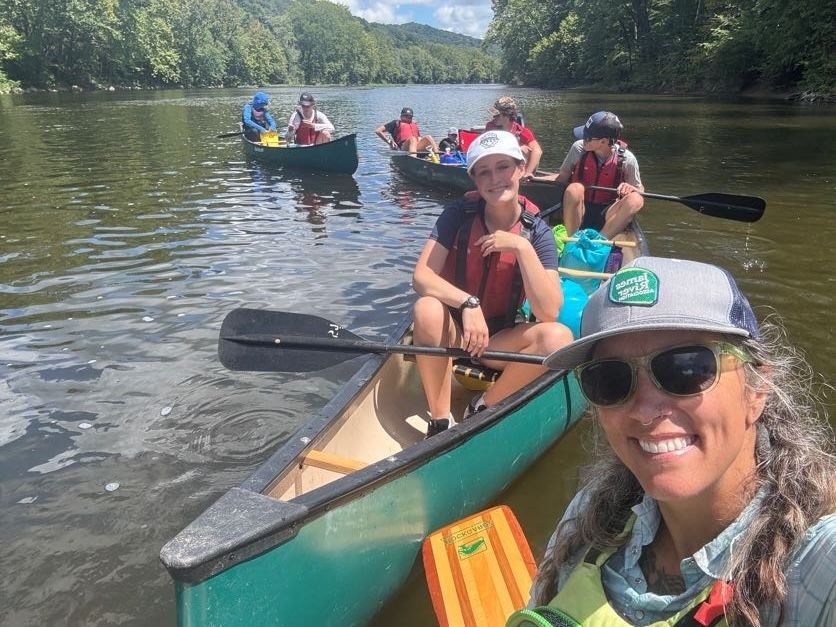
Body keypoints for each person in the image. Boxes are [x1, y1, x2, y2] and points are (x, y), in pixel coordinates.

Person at [507, 256, 836, 627]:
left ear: (756, 390)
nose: (645, 412)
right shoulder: (591, 511)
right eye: (609, 379)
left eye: (687, 368)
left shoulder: (818, 567)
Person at [411, 130, 573, 437]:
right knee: (427, 308)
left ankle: (483, 408)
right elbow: (422, 277)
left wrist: (522, 248)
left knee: (558, 337)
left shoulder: (537, 232)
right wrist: (467, 303)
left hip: (499, 341)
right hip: (454, 333)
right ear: (474, 179)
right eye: (484, 171)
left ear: (521, 169)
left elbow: (549, 311)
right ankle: (441, 420)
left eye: (503, 167)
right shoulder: (457, 215)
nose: (494, 178)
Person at [534, 111, 643, 239]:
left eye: (588, 137)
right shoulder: (578, 149)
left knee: (636, 199)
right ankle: (572, 240)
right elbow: (561, 178)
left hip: (608, 213)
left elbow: (640, 189)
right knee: (575, 188)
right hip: (578, 209)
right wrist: (534, 179)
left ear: (603, 141)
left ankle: (599, 242)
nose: (583, 140)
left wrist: (632, 189)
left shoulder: (627, 159)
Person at [485, 97, 542, 178]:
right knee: (522, 149)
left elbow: (538, 151)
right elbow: (489, 148)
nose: (493, 118)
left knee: (528, 151)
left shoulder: (522, 131)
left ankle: (523, 177)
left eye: (496, 115)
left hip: (516, 169)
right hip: (495, 164)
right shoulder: (490, 126)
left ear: (506, 116)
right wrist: (517, 148)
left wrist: (528, 173)